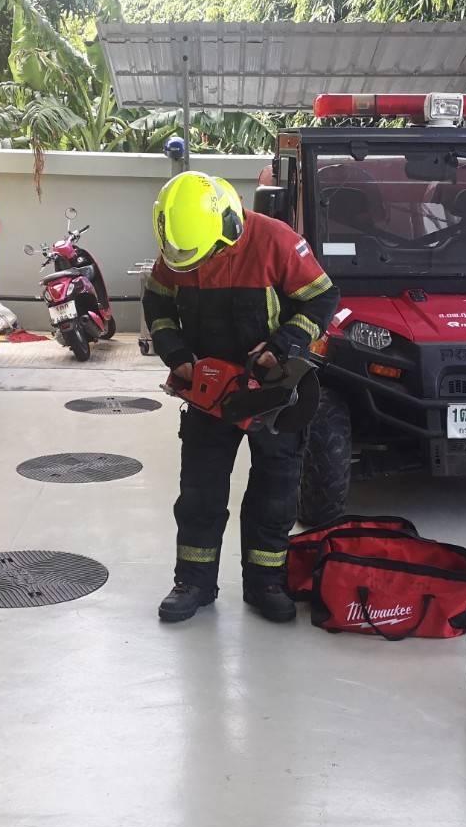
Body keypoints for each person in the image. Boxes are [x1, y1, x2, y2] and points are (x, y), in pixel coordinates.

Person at [143, 171, 340, 624]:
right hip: (208, 391)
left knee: (276, 490)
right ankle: (193, 582)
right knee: (199, 492)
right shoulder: (181, 246)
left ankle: (267, 583)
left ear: (227, 225)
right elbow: (158, 303)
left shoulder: (276, 241)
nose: (200, 265)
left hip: (273, 390)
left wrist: (283, 346)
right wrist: (176, 355)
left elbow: (322, 298)